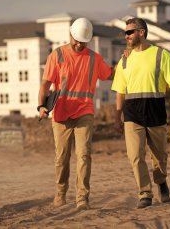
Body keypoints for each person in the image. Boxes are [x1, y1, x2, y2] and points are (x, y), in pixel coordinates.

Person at [111, 17, 170, 209]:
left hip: (155, 110)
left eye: (129, 32)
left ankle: (161, 181)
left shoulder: (161, 55)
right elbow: (120, 91)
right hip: (132, 113)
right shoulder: (124, 60)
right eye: (125, 33)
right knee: (135, 155)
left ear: (141, 32)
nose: (126, 36)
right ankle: (144, 193)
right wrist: (117, 117)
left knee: (160, 156)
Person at [38, 17, 113, 210]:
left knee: (84, 155)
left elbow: (110, 74)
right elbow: (46, 84)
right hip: (61, 113)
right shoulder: (57, 55)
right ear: (70, 34)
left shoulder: (95, 59)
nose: (79, 44)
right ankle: (60, 194)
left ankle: (82, 198)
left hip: (84, 112)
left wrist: (127, 62)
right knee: (61, 157)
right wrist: (41, 106)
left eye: (83, 41)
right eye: (76, 40)